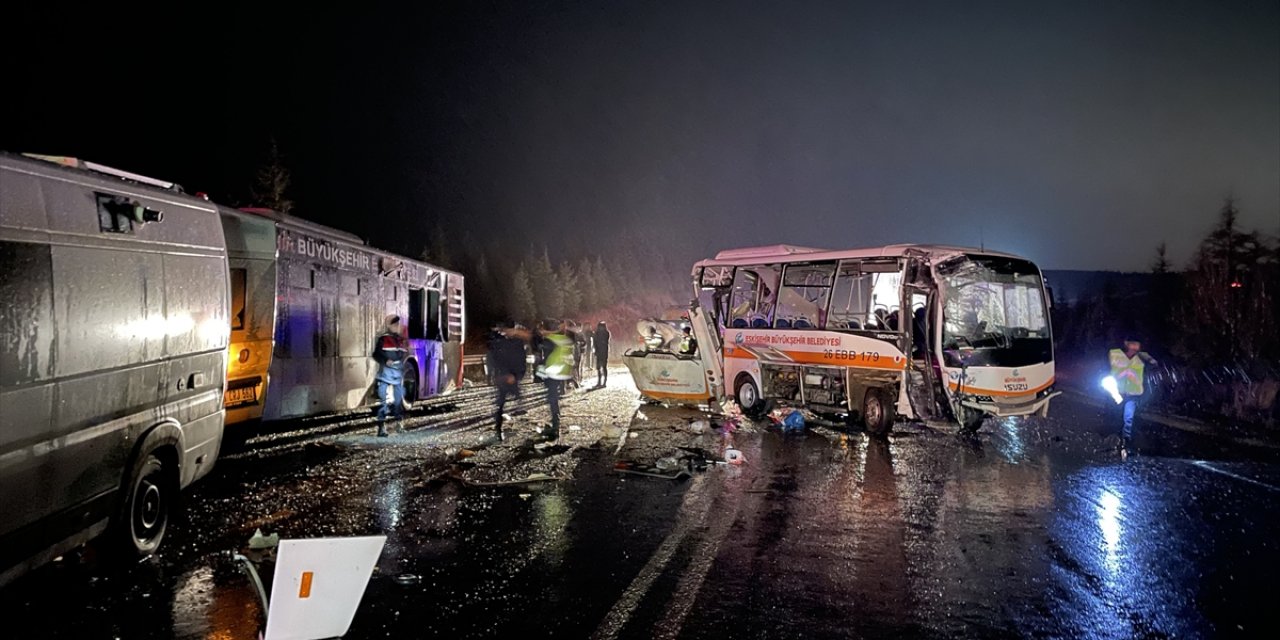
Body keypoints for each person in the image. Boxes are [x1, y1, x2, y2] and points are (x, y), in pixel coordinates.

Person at [1109, 336, 1158, 456]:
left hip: (1133, 394)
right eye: (1133, 344)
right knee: (1117, 416)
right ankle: (1115, 441)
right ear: (1126, 343)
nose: (1136, 347)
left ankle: (1126, 442)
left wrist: (1146, 358)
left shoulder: (1142, 357)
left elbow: (1154, 365)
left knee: (1128, 418)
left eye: (1138, 344)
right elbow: (1107, 366)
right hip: (1117, 392)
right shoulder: (1115, 353)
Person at [486, 322, 528, 441]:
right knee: (500, 404)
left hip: (511, 376)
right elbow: (493, 359)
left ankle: (518, 414)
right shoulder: (498, 342)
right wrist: (494, 375)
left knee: (515, 398)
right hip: (503, 377)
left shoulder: (517, 342)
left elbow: (521, 360)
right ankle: (498, 430)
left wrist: (516, 376)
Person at [534, 319, 574, 440]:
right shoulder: (561, 338)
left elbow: (544, 356)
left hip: (552, 372)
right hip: (560, 371)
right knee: (553, 397)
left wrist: (539, 374)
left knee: (552, 398)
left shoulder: (550, 340)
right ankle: (555, 422)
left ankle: (555, 425)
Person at [371, 315, 409, 437]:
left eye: (398, 324)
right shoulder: (384, 339)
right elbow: (376, 354)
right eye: (394, 325)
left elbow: (402, 355)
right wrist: (386, 360)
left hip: (397, 376)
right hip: (385, 374)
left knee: (398, 402)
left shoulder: (400, 340)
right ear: (388, 326)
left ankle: (399, 425)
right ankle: (382, 428)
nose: (397, 327)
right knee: (384, 402)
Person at [593, 321, 611, 388]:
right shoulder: (597, 333)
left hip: (604, 352)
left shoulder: (606, 333)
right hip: (599, 352)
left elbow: (605, 341)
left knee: (603, 367)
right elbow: (595, 342)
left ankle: (604, 382)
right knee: (598, 367)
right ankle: (599, 382)